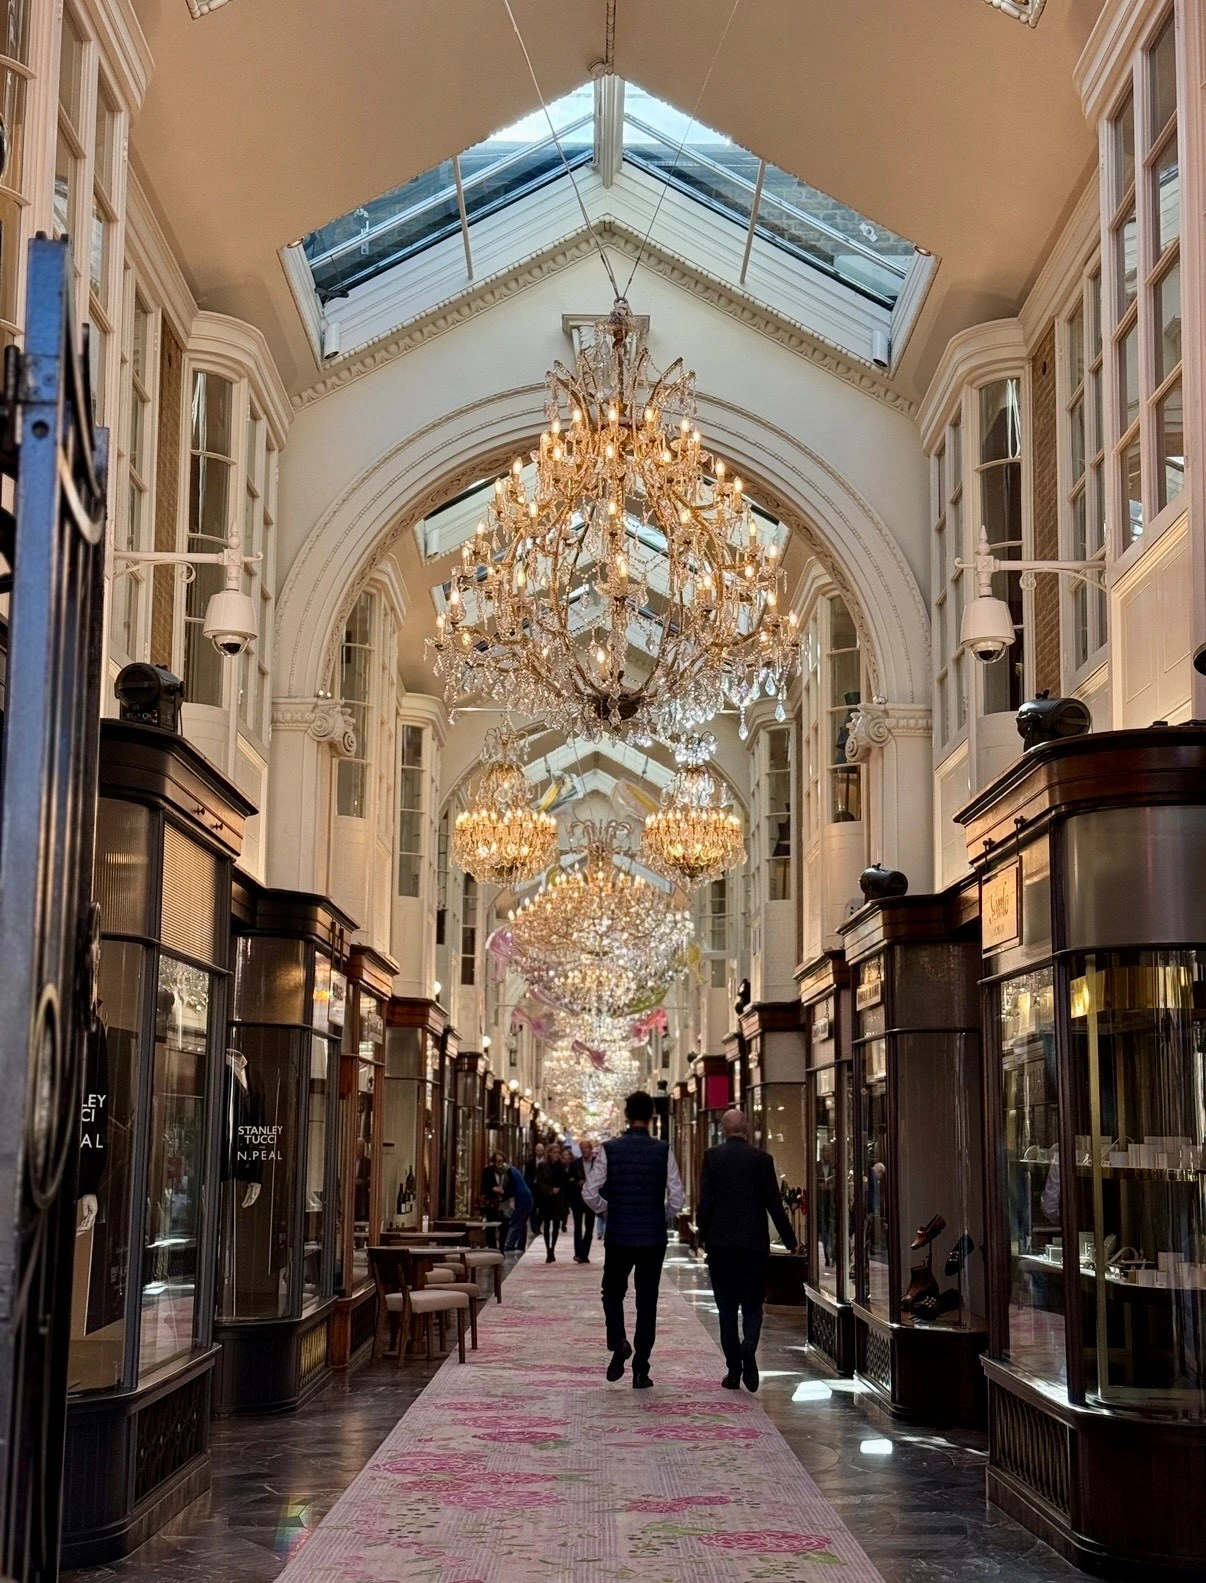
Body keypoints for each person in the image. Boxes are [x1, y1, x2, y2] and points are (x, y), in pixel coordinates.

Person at [583, 1091, 685, 1388]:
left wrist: (608, 1211)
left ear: (626, 1116)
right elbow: (677, 1197)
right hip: (652, 1237)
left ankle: (619, 1342)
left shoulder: (610, 1149)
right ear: (653, 1116)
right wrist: (661, 1214)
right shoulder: (663, 1150)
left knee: (612, 1292)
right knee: (647, 1302)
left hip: (619, 1235)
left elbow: (589, 1193)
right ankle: (641, 1369)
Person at [697, 1107, 798, 1393]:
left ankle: (733, 1371)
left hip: (721, 1246)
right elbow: (774, 1204)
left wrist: (702, 1236)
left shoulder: (712, 1157)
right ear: (747, 1127)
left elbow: (707, 1202)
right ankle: (749, 1346)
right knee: (753, 1303)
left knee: (726, 1309)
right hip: (753, 1245)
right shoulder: (762, 1159)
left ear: (723, 1129)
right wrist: (790, 1241)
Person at [534, 1141, 568, 1262]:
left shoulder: (562, 1166)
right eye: (554, 1152)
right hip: (546, 1198)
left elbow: (565, 1181)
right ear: (549, 1153)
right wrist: (550, 1190)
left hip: (558, 1199)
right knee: (547, 1224)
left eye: (558, 1153)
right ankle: (548, 1250)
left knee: (556, 1225)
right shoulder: (542, 1166)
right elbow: (539, 1183)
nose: (556, 1155)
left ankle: (552, 1248)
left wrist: (559, 1189)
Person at [565, 1138, 597, 1263]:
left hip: (591, 1199)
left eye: (586, 1148)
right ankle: (578, 1253)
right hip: (578, 1199)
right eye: (582, 1148)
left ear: (590, 1149)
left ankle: (585, 1254)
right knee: (577, 1227)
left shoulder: (597, 1163)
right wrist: (577, 1183)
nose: (584, 1150)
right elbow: (569, 1180)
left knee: (589, 1227)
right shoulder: (575, 1164)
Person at [480, 1151, 510, 1251]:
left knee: (504, 1226)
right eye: (497, 1161)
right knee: (491, 1227)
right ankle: (493, 1249)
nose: (499, 1163)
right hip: (491, 1203)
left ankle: (501, 1249)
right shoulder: (488, 1171)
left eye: (501, 1161)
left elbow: (512, 1186)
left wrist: (504, 1191)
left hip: (504, 1202)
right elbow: (484, 1187)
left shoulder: (508, 1171)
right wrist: (493, 1189)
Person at [503, 1158, 534, 1251]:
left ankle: (510, 1245)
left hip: (521, 1199)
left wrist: (509, 1199)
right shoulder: (513, 1169)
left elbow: (510, 1187)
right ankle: (521, 1245)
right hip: (527, 1197)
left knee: (515, 1222)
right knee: (522, 1222)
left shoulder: (507, 1171)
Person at [524, 1141, 545, 1239]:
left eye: (541, 1150)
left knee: (542, 1209)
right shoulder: (530, 1162)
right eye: (538, 1150)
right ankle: (534, 1227)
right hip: (532, 1188)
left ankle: (538, 1224)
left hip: (543, 1189)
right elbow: (526, 1176)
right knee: (532, 1209)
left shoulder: (546, 1162)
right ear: (535, 1151)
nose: (539, 1152)